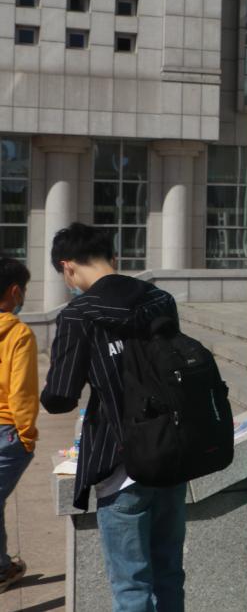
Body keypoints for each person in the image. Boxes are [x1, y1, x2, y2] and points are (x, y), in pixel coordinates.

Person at [40, 223, 187, 611]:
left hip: (120, 463)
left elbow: (61, 397)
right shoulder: (161, 300)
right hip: (170, 456)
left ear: (67, 266)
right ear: (113, 258)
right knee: (169, 575)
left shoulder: (78, 315)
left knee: (131, 588)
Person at [0, 258, 38, 591]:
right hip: (6, 431)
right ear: (14, 292)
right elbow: (22, 392)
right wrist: (27, 436)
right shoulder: (18, 334)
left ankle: (2, 567)